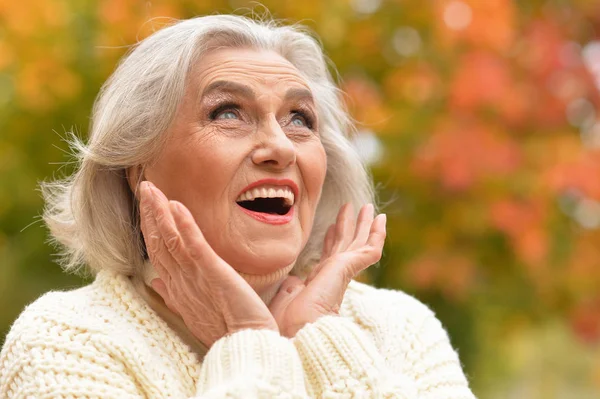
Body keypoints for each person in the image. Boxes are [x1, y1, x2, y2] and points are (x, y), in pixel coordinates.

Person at [0, 14, 476, 398]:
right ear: (139, 169)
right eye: (228, 113)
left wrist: (323, 338)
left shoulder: (399, 327)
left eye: (299, 119)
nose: (281, 148)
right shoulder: (67, 342)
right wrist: (250, 339)